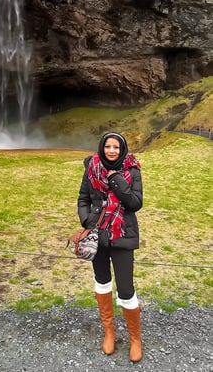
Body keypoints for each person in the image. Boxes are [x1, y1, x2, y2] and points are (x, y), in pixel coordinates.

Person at [77, 131, 143, 362]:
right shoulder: (91, 167)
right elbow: (83, 198)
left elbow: (135, 203)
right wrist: (88, 221)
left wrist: (116, 180)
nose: (112, 150)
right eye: (108, 146)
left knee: (126, 288)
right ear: (102, 148)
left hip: (123, 233)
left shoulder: (132, 170)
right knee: (102, 280)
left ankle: (135, 338)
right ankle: (109, 332)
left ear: (122, 149)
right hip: (99, 234)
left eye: (116, 147)